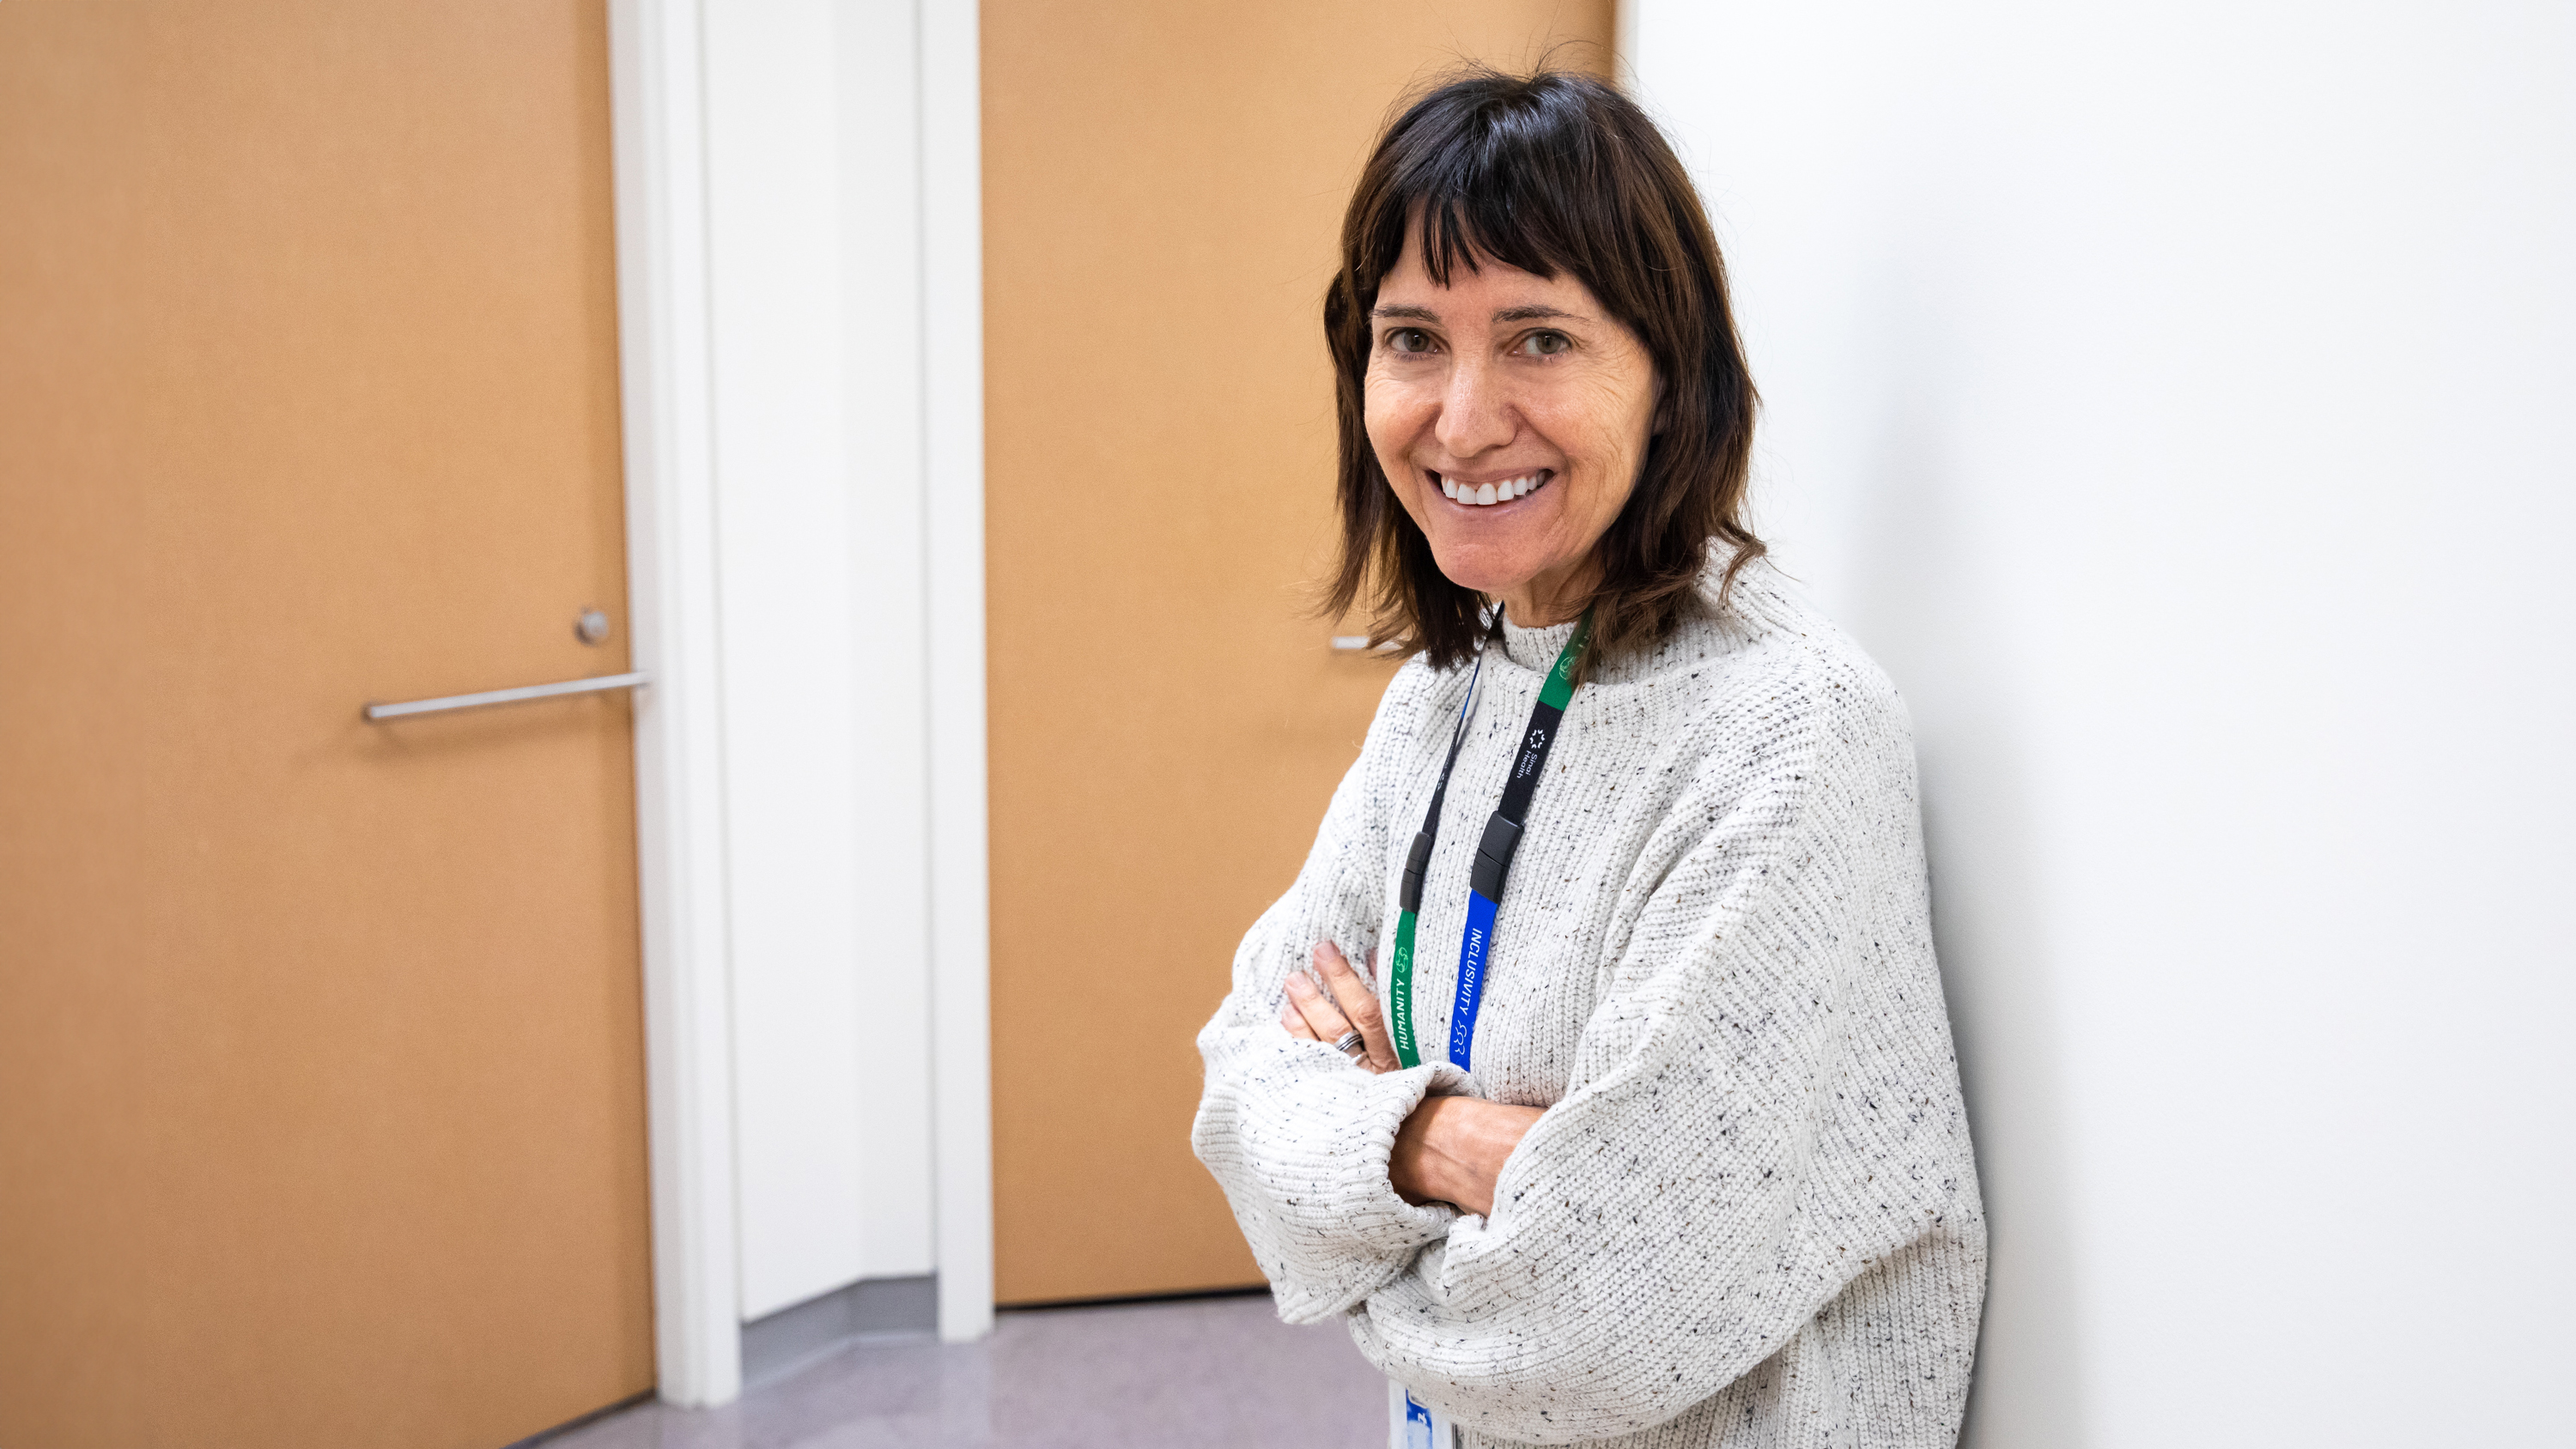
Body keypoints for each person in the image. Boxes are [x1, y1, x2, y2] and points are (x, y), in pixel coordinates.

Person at [1189, 69, 1986, 1448]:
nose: (1462, 417)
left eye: (1540, 340)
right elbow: (1237, 1089)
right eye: (1414, 339)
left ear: (1670, 375)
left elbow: (1594, 1314)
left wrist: (1356, 1189)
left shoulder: (1788, 733)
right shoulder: (1441, 702)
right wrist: (1441, 1147)